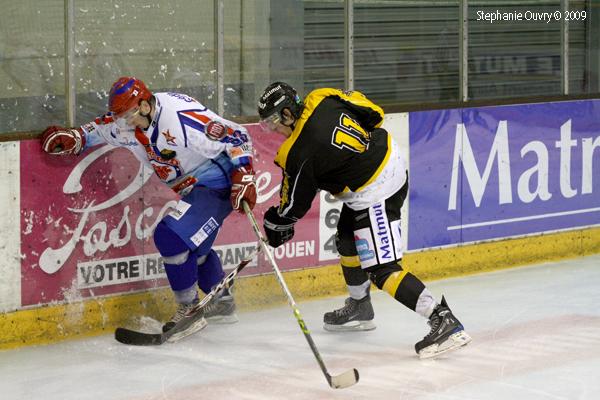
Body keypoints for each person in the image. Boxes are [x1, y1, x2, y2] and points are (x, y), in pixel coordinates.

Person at [256, 82, 471, 358]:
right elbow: (374, 113)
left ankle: (443, 319)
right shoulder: (321, 97)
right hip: (387, 157)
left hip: (376, 190)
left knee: (382, 269)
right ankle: (360, 306)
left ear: (287, 113)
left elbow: (294, 205)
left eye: (273, 122)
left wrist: (278, 223)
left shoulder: (297, 152)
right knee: (347, 240)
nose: (273, 130)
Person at [41, 76, 257, 339]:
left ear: (145, 105)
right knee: (195, 249)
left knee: (170, 236)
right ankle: (222, 303)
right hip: (193, 190)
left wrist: (244, 175)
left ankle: (188, 310)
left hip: (217, 185)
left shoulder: (180, 120)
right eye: (120, 116)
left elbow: (236, 136)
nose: (124, 123)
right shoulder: (128, 121)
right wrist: (77, 137)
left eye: (128, 115)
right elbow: (103, 127)